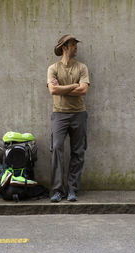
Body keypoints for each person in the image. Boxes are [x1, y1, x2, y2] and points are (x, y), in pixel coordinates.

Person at [47, 34, 90, 202]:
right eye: (73, 44)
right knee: (57, 148)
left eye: (76, 44)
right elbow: (52, 91)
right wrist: (73, 85)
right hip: (59, 114)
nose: (76, 47)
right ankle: (57, 190)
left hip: (79, 113)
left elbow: (84, 90)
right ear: (65, 47)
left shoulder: (82, 68)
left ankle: (73, 189)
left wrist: (62, 88)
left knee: (78, 151)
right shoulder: (53, 68)